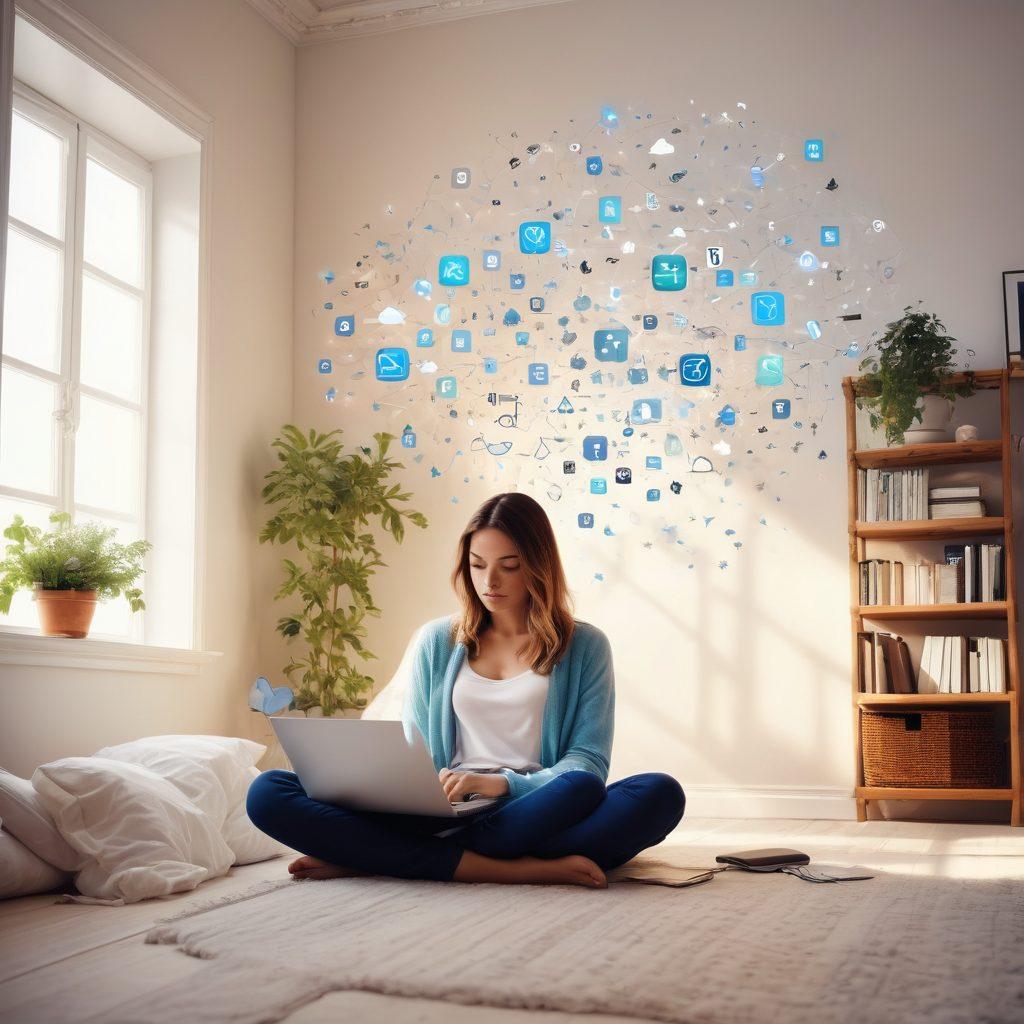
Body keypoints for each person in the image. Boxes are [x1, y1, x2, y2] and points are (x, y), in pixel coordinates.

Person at [246, 492, 685, 889]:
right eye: (477, 565)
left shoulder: (585, 646)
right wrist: (411, 792)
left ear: (539, 565)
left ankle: (378, 857)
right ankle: (508, 868)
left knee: (649, 793)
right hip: (444, 812)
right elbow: (418, 751)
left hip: (534, 810)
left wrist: (501, 785)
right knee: (268, 793)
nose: (489, 581)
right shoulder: (437, 640)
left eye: (508, 566)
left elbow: (587, 764)